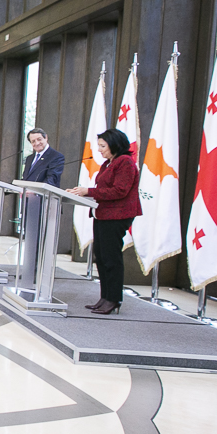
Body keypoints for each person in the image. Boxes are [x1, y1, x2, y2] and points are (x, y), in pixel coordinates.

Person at [67, 128, 141, 315]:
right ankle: (105, 297)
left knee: (111, 258)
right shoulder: (109, 163)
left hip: (117, 216)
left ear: (114, 144)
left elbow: (120, 191)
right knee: (101, 256)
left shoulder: (125, 162)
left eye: (102, 146)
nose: (99, 150)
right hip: (103, 214)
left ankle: (114, 299)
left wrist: (88, 191)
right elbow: (104, 189)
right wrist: (80, 192)